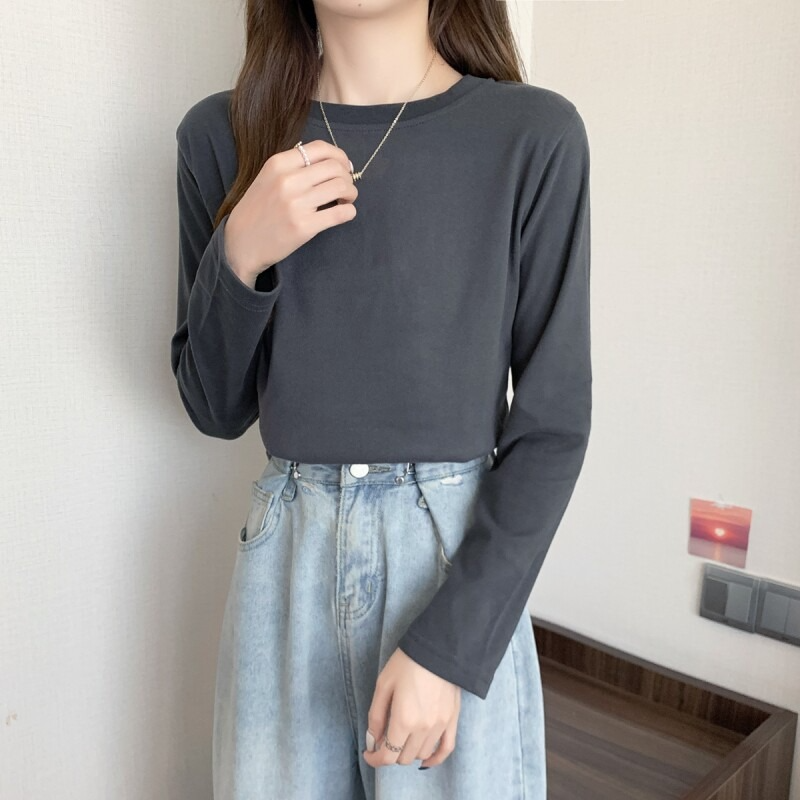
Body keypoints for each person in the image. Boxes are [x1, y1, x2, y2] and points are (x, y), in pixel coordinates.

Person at [170, 1, 592, 798]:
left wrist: (451, 647)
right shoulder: (220, 138)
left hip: (452, 567)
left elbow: (554, 424)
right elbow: (214, 406)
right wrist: (241, 254)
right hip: (284, 572)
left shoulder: (532, 136)